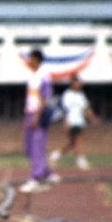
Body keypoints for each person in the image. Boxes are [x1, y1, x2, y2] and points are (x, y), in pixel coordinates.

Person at [20, 48, 59, 193]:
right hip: (30, 113)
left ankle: (35, 178)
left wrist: (37, 116)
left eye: (30, 58)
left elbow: (44, 98)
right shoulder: (32, 75)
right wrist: (26, 118)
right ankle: (48, 173)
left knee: (37, 147)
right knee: (29, 148)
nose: (28, 61)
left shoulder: (44, 75)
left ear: (36, 59)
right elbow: (30, 98)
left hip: (39, 115)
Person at [49, 75, 99, 170]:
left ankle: (55, 154)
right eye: (77, 83)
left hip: (79, 121)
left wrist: (93, 117)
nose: (79, 85)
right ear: (73, 84)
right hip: (71, 121)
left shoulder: (81, 95)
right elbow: (64, 110)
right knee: (78, 139)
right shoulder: (67, 95)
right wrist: (65, 122)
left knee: (73, 142)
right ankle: (81, 160)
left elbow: (85, 108)